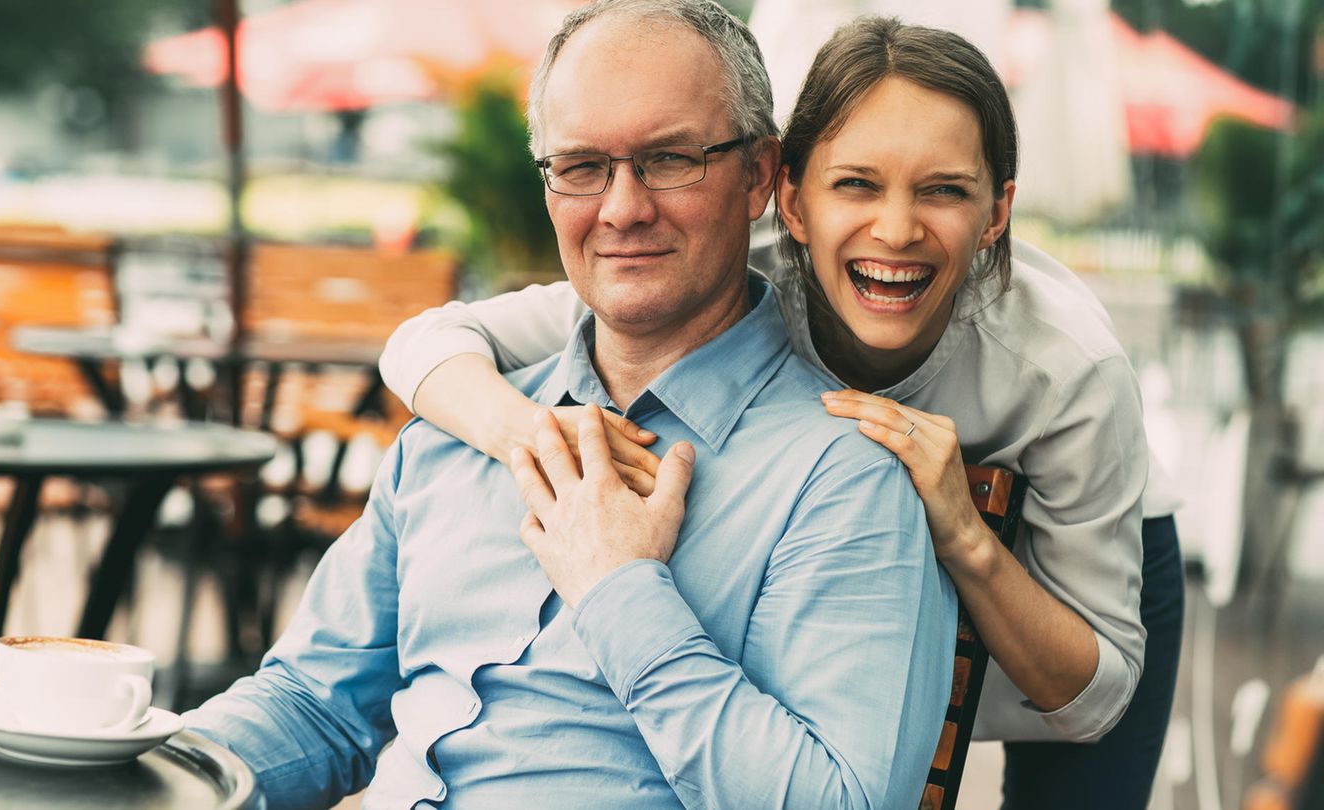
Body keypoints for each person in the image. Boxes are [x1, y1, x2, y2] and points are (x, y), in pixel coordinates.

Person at [378, 15, 1184, 810]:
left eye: (943, 190)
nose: (896, 230)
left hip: (1070, 578)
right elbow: (425, 344)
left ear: (997, 214)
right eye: (856, 184)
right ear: (790, 202)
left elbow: (1092, 704)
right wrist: (534, 436)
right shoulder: (731, 279)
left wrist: (966, 539)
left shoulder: (1068, 368)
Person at [183, 3, 957, 808]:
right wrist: (150, 765)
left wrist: (622, 590)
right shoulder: (458, 433)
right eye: (583, 166)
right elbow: (314, 704)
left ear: (760, 174)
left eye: (669, 159)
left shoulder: (844, 477)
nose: (622, 209)